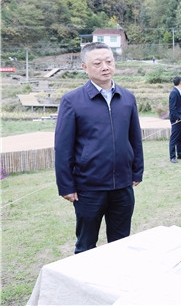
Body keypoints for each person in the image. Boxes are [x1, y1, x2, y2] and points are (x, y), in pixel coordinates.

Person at [54, 42, 144, 254]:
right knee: (86, 245)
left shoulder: (127, 98)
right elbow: (63, 147)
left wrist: (137, 171)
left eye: (109, 61)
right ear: (85, 67)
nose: (105, 67)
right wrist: (66, 185)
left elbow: (134, 138)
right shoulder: (72, 101)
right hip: (88, 187)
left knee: (121, 244)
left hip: (122, 185)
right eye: (97, 63)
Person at [169, 76, 181, 163]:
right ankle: (172, 156)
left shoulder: (179, 91)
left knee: (180, 137)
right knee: (174, 138)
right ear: (180, 82)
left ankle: (180, 153)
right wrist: (176, 117)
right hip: (177, 119)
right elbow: (172, 107)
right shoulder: (174, 92)